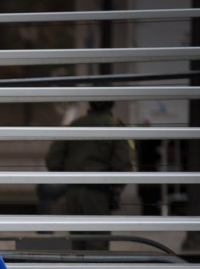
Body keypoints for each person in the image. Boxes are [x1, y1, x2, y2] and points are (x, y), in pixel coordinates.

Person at [44, 101, 133, 250]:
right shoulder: (115, 126)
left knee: (77, 245)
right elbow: (122, 163)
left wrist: (70, 172)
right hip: (98, 194)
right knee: (97, 246)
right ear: (112, 105)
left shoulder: (76, 124)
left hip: (73, 193)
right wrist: (117, 187)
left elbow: (52, 160)